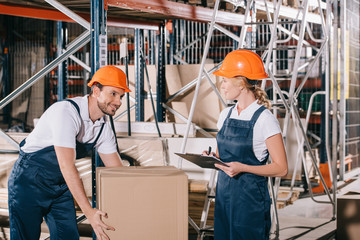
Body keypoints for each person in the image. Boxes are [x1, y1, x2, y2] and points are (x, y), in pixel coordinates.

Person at [8, 65, 130, 240]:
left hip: (60, 186)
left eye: (121, 96)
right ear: (96, 91)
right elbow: (66, 165)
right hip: (29, 182)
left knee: (68, 237)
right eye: (113, 94)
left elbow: (118, 173)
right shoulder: (66, 112)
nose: (118, 102)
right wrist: (88, 212)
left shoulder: (103, 128)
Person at [203, 49, 288, 240]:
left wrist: (243, 168)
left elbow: (281, 169)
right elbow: (220, 156)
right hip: (224, 197)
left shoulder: (265, 119)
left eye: (225, 80)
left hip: (249, 202)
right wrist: (210, 159)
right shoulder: (225, 115)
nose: (222, 86)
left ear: (241, 83)